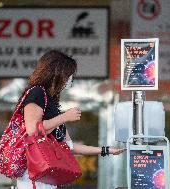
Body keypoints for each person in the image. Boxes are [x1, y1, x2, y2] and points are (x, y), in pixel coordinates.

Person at [17, 50, 125, 189]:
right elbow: (32, 130)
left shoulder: (51, 102)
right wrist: (65, 117)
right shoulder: (37, 93)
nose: (70, 80)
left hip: (47, 176)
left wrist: (106, 150)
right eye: (68, 75)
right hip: (34, 173)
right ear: (56, 73)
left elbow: (69, 146)